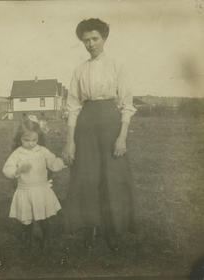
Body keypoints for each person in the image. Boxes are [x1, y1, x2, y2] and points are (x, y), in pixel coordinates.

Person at [62, 18, 136, 250]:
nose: (91, 44)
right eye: (86, 40)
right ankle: (89, 226)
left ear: (104, 38)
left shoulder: (117, 65)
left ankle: (114, 229)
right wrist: (69, 142)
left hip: (110, 123)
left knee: (112, 175)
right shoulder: (80, 70)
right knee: (86, 175)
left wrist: (122, 136)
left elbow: (126, 104)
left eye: (95, 39)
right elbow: (73, 106)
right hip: (86, 124)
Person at [3, 115, 67, 249]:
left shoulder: (42, 151)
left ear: (38, 138)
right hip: (25, 190)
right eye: (27, 140)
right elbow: (7, 169)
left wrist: (64, 161)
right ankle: (28, 239)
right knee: (26, 220)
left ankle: (46, 239)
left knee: (43, 218)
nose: (31, 143)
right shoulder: (17, 153)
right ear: (20, 138)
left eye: (34, 140)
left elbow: (53, 163)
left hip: (41, 190)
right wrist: (17, 170)